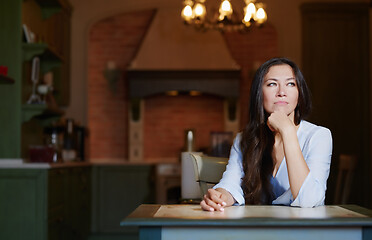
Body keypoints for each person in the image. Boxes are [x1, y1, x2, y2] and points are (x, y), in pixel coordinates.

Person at [201, 57, 333, 211]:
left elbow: (308, 200)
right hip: (260, 229)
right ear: (259, 92)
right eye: (272, 84)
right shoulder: (244, 139)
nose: (281, 92)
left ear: (299, 92)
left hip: (306, 231)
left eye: (290, 84)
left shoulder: (319, 136)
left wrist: (288, 131)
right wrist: (219, 197)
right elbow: (231, 183)